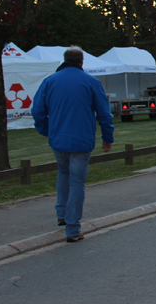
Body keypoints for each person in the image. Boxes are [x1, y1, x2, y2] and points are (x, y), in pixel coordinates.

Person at [32, 46, 114, 243]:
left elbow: (37, 110)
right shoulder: (91, 82)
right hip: (81, 140)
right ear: (81, 61)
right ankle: (72, 227)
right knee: (77, 181)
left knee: (63, 172)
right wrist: (107, 137)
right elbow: (104, 113)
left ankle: (62, 213)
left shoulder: (49, 81)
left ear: (64, 59)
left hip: (58, 139)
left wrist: (46, 130)